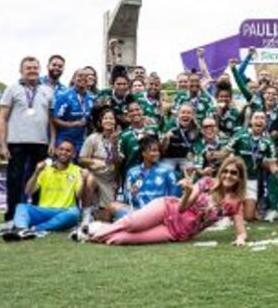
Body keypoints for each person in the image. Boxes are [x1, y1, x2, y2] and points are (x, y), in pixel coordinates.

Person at [89, 156, 247, 246]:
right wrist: (188, 192)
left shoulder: (235, 203)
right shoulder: (206, 182)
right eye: (225, 171)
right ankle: (91, 236)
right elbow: (181, 208)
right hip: (166, 209)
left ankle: (97, 229)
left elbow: (241, 232)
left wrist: (240, 239)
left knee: (120, 239)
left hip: (175, 232)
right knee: (131, 224)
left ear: (240, 177)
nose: (228, 175)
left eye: (233, 173)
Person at [0, 56, 56, 224]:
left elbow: (51, 120)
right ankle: (12, 217)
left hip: (41, 143)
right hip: (17, 142)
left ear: (40, 70)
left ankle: (37, 215)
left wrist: (52, 141)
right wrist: (2, 144)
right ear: (21, 70)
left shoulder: (47, 90)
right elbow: (2, 118)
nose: (32, 71)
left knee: (41, 179)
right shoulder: (12, 89)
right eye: (28, 68)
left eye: (35, 68)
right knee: (15, 180)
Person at [2, 140, 85, 240]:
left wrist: (83, 179)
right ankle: (21, 229)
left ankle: (35, 229)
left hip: (64, 211)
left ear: (73, 154)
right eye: (61, 149)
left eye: (68, 151)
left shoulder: (77, 170)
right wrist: (36, 172)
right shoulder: (45, 169)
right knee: (21, 207)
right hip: (43, 211)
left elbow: (79, 195)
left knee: (74, 213)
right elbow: (28, 191)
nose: (64, 152)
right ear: (56, 151)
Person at [222, 110, 278, 221]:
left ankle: (244, 208)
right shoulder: (240, 135)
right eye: (256, 118)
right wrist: (215, 156)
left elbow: (272, 164)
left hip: (252, 180)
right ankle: (226, 208)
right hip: (236, 179)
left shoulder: (268, 142)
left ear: (266, 122)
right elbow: (225, 152)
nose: (259, 120)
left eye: (262, 118)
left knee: (248, 217)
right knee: (229, 212)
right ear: (251, 121)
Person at [108, 136, 181, 220]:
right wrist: (132, 193)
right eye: (153, 150)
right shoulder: (132, 172)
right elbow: (127, 197)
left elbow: (175, 197)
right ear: (144, 153)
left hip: (158, 213)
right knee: (112, 206)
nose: (157, 154)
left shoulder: (167, 171)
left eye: (158, 151)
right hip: (138, 211)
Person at [78, 108, 121, 223]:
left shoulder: (120, 138)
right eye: (105, 118)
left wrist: (115, 145)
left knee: (107, 217)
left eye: (111, 118)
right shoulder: (93, 138)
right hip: (95, 175)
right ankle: (86, 214)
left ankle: (95, 215)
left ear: (115, 121)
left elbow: (118, 163)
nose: (109, 121)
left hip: (109, 180)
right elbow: (81, 160)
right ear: (100, 121)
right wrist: (93, 162)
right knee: (89, 178)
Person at [53, 69, 95, 155]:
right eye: (79, 76)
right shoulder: (64, 96)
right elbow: (55, 119)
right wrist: (72, 124)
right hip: (65, 138)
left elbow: (91, 119)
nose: (83, 78)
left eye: (86, 76)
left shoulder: (92, 98)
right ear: (73, 79)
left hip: (81, 140)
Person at [118, 100, 160, 179]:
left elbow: (162, 150)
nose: (135, 113)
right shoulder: (124, 135)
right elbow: (120, 160)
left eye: (137, 109)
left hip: (153, 173)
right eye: (131, 111)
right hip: (133, 175)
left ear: (142, 111)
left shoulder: (153, 129)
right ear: (127, 115)